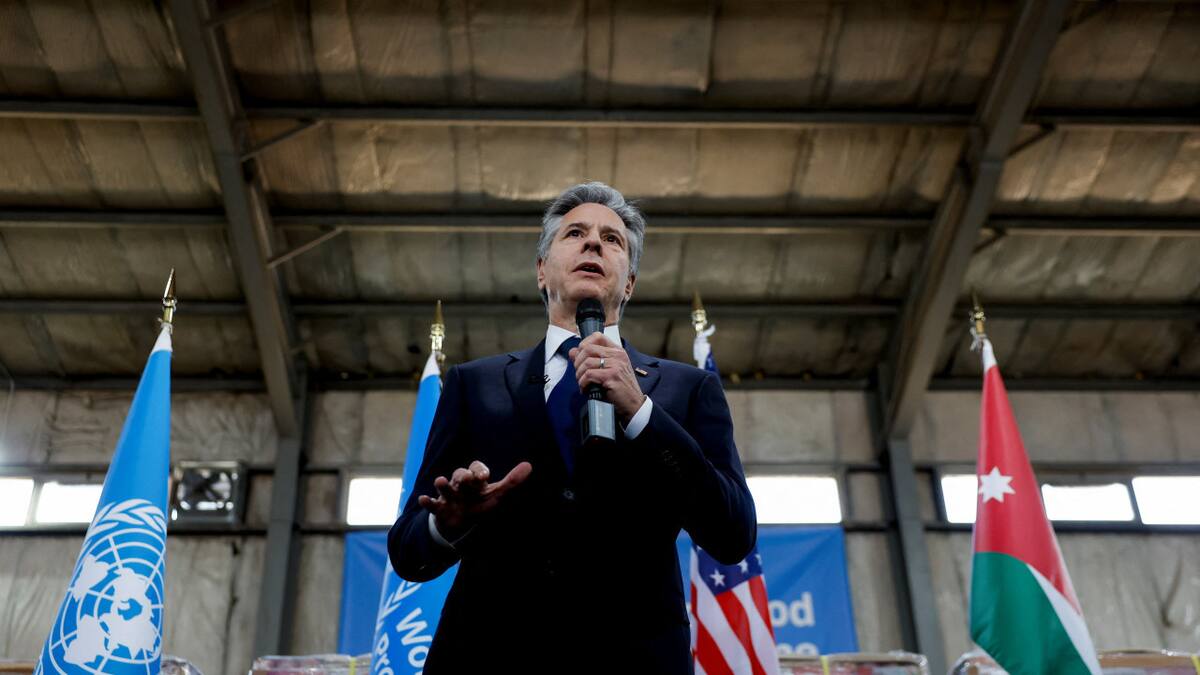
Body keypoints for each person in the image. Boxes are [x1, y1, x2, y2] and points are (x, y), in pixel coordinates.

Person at [389, 182, 756, 674]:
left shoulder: (688, 391)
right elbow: (408, 553)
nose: (593, 243)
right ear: (542, 271)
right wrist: (449, 523)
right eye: (575, 233)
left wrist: (642, 413)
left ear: (629, 283)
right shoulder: (473, 385)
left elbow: (733, 534)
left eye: (613, 239)